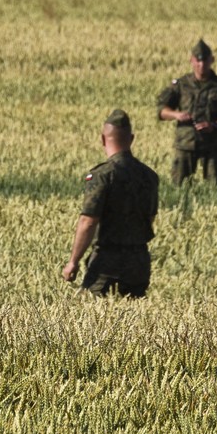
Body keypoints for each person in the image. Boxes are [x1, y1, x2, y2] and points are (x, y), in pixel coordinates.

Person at [62, 110, 159, 297]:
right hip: (139, 262)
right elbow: (151, 216)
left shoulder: (103, 175)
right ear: (131, 138)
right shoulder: (149, 175)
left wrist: (73, 261)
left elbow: (88, 221)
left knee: (94, 316)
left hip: (108, 262)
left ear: (102, 139)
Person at [156, 39, 217, 185]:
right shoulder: (181, 85)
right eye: (198, 61)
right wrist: (177, 115)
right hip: (185, 143)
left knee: (216, 187)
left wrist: (215, 125)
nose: (201, 65)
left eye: (205, 61)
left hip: (212, 144)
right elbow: (161, 110)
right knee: (179, 185)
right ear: (192, 61)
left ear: (211, 60)